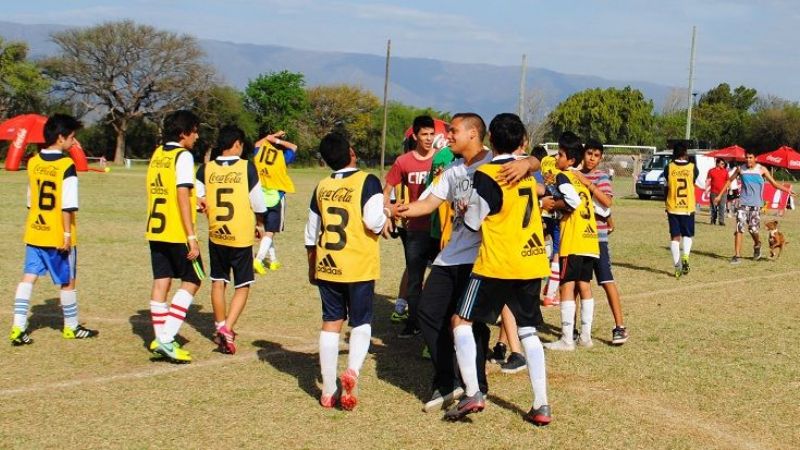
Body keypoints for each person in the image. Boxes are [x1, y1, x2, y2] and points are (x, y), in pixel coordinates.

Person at [443, 113, 552, 425]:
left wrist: (464, 210)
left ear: (489, 138)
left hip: (497, 262)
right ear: (522, 142)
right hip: (531, 260)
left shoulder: (488, 173)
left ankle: (473, 392)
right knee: (528, 329)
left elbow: (476, 221)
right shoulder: (527, 174)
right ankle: (541, 404)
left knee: (460, 321)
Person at [391, 113, 502, 413]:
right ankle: (447, 380)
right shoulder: (453, 170)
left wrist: (529, 163)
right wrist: (401, 210)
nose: (447, 137)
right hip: (451, 256)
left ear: (473, 133)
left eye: (453, 131)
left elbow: (535, 179)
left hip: (481, 259)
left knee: (472, 323)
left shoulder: (496, 165)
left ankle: (477, 384)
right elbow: (427, 202)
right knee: (427, 311)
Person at [305, 132, 389, 410]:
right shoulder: (368, 181)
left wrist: (311, 265)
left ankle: (328, 389)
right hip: (358, 264)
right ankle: (352, 371)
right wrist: (390, 213)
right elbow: (374, 222)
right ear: (351, 152)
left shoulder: (321, 185)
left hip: (328, 263)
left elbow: (310, 231)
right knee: (361, 321)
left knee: (331, 321)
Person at [9, 114, 98, 345]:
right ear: (60, 138)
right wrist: (67, 234)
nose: (73, 143)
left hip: (35, 231)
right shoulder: (66, 165)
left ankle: (17, 327)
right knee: (67, 281)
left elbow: (31, 200)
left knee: (28, 277)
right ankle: (71, 327)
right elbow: (68, 205)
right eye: (72, 138)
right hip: (57, 235)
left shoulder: (33, 162)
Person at [196, 125, 267, 354]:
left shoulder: (205, 169)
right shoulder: (246, 168)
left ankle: (219, 327)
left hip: (217, 233)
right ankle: (228, 327)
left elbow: (197, 199)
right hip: (240, 235)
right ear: (237, 143)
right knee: (243, 285)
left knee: (218, 281)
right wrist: (260, 224)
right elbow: (258, 203)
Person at [146, 110, 204, 363]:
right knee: (193, 280)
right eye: (194, 130)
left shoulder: (158, 154)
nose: (197, 136)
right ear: (183, 133)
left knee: (162, 282)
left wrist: (196, 200)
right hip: (176, 231)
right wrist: (191, 236)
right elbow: (181, 194)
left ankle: (161, 337)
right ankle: (166, 338)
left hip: (155, 228)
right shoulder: (183, 156)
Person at [383, 115, 439, 338]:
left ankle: (434, 324)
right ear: (415, 136)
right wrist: (387, 214)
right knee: (414, 278)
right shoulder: (403, 162)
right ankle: (413, 322)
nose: (428, 138)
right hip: (415, 228)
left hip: (439, 229)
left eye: (431, 134)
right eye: (424, 134)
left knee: (439, 278)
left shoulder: (443, 159)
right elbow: (386, 192)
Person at [543, 132, 600, 351]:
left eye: (560, 154)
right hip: (590, 238)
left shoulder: (564, 176)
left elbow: (573, 202)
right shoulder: (580, 179)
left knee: (566, 286)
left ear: (570, 160)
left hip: (574, 239)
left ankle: (567, 338)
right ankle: (585, 336)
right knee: (584, 286)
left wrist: (554, 205)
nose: (556, 158)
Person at [579, 140, 629, 345]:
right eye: (589, 153)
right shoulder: (574, 174)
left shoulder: (601, 177)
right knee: (577, 285)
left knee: (607, 281)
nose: (592, 158)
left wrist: (589, 184)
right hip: (578, 238)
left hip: (597, 238)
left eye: (596, 155)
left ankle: (620, 327)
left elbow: (607, 202)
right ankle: (576, 330)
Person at [714, 151, 795, 264]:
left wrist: (787, 190)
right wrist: (719, 195)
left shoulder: (762, 170)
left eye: (750, 158)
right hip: (742, 203)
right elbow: (729, 181)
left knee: (753, 229)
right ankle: (737, 256)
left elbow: (774, 184)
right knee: (739, 228)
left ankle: (757, 244)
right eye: (746, 158)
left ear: (755, 158)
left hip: (756, 204)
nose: (748, 160)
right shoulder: (740, 169)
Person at [253, 131, 297, 273]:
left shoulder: (258, 153)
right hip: (275, 196)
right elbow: (294, 147)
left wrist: (270, 137)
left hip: (259, 195)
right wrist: (278, 141)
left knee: (267, 230)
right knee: (271, 231)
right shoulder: (282, 157)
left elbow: (257, 144)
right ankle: (258, 260)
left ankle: (273, 260)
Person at [664, 142, 697, 278]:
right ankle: (685, 256)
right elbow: (694, 181)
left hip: (673, 206)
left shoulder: (669, 167)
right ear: (685, 153)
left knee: (675, 237)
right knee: (687, 235)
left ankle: (677, 266)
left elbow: (666, 186)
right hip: (687, 206)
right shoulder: (692, 167)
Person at [706, 158, 729, 226]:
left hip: (723, 192)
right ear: (717, 163)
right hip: (713, 192)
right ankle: (713, 220)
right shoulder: (711, 171)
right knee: (713, 207)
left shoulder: (725, 171)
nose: (723, 165)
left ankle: (721, 221)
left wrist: (729, 188)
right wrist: (706, 188)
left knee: (722, 207)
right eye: (722, 163)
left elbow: (728, 181)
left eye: (724, 164)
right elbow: (708, 180)